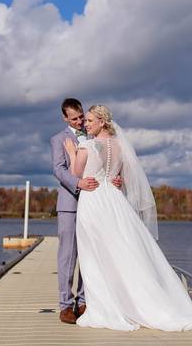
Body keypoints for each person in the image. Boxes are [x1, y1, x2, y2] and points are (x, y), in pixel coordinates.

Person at [62, 105, 192, 332]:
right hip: (114, 200)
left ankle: (106, 308)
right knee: (122, 250)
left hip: (93, 202)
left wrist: (72, 153)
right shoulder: (120, 145)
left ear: (101, 122)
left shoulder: (86, 145)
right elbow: (123, 176)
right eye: (86, 120)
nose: (86, 124)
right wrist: (115, 179)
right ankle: (134, 300)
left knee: (95, 256)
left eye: (90, 120)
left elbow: (75, 174)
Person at [50, 98, 124, 324]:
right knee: (68, 256)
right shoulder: (58, 139)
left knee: (90, 254)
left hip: (95, 204)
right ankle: (65, 305)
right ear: (65, 118)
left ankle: (83, 301)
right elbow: (58, 170)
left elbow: (104, 165)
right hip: (71, 205)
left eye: (82, 116)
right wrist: (78, 183)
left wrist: (115, 179)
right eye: (74, 118)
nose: (80, 121)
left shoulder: (94, 136)